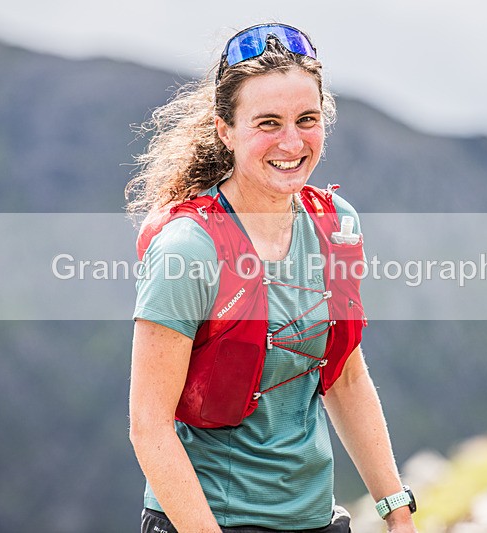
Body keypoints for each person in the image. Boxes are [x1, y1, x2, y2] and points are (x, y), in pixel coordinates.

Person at [126, 23, 419, 533]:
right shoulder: (189, 249)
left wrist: (396, 511)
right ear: (225, 129)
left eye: (307, 119)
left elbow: (345, 377)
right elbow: (149, 427)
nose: (291, 141)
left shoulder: (336, 226)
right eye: (267, 122)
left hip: (314, 520)